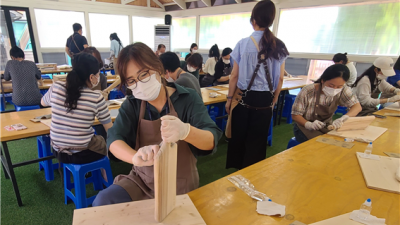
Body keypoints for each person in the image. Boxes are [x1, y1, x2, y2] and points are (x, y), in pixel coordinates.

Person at [92, 43, 221, 206]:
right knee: (104, 201)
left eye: (144, 74)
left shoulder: (187, 98)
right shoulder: (133, 105)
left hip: (179, 183)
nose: (139, 84)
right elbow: (113, 140)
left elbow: (211, 140)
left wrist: (186, 131)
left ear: (158, 68)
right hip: (142, 181)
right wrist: (135, 157)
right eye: (131, 81)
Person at [225, 0, 289, 170]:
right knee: (257, 140)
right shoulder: (279, 45)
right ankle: (253, 173)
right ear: (271, 20)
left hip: (243, 97)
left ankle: (237, 172)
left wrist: (229, 99)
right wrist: (274, 100)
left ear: (253, 20)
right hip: (265, 100)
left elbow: (234, 76)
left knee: (239, 137)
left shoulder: (243, 43)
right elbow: (280, 79)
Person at [41, 53, 112, 164]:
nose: (99, 78)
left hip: (58, 151)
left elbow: (43, 103)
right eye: (98, 75)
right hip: (82, 154)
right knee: (102, 141)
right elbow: (110, 129)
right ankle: (104, 175)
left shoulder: (57, 86)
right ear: (91, 77)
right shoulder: (96, 97)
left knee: (92, 139)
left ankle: (91, 172)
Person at [291, 64, 361, 143]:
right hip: (304, 127)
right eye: (331, 85)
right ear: (323, 80)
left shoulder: (343, 89)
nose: (334, 89)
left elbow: (357, 107)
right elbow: (295, 115)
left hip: (327, 126)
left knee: (340, 143)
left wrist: (343, 118)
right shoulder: (308, 91)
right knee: (320, 145)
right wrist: (309, 125)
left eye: (339, 87)